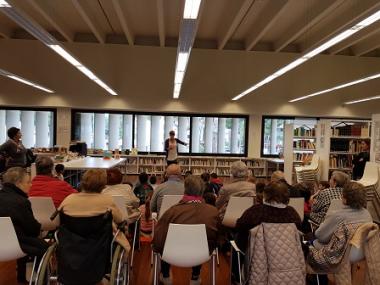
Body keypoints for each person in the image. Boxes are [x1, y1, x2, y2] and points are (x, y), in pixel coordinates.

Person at [153, 175, 218, 285]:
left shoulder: (171, 211)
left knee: (165, 238)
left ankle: (165, 275)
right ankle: (195, 276)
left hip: (171, 254)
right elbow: (218, 236)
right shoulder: (213, 212)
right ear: (202, 191)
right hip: (201, 255)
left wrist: (157, 248)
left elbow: (159, 239)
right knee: (200, 240)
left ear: (185, 189)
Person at [233, 181, 301, 283]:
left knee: (238, 237)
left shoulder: (256, 211)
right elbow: (298, 228)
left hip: (258, 257)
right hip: (288, 256)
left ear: (266, 194)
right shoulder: (292, 213)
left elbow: (239, 225)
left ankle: (237, 277)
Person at [58, 169, 130, 252]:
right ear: (103, 185)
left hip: (71, 242)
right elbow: (120, 219)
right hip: (100, 243)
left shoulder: (69, 199)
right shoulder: (108, 201)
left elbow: (59, 219)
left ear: (82, 182)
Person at [0, 167, 48, 283]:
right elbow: (32, 230)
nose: (31, 185)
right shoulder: (21, 201)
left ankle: (21, 277)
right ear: (18, 184)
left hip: (4, 242)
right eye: (28, 182)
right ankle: (41, 280)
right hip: (15, 245)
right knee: (42, 245)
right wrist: (39, 227)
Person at [313, 182, 372, 248]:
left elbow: (321, 236)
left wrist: (322, 224)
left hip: (338, 254)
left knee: (311, 239)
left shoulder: (337, 216)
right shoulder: (367, 214)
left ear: (345, 199)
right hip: (362, 252)